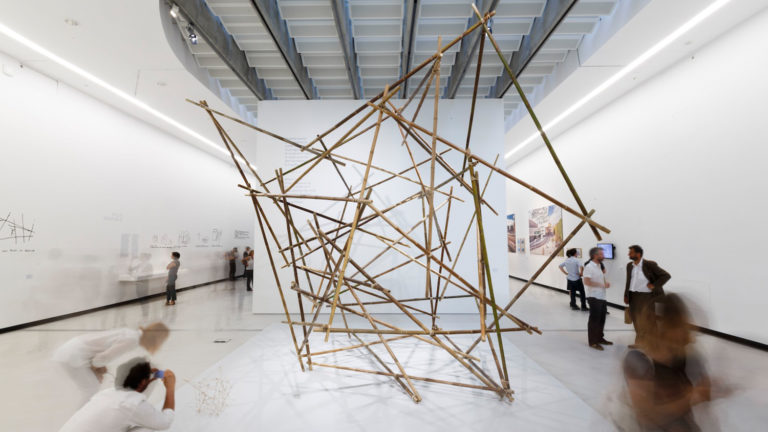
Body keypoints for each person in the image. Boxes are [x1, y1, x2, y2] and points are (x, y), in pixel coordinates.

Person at [621, 294, 721, 431]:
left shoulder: (689, 356)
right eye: (677, 325)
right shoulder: (638, 361)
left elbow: (704, 391)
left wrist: (707, 390)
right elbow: (647, 416)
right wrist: (692, 397)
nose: (684, 331)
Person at [53, 323, 170, 406]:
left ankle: (82, 419)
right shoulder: (132, 340)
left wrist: (98, 369)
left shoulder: (131, 333)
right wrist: (99, 369)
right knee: (90, 389)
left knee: (91, 387)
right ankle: (79, 421)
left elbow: (100, 357)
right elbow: (100, 359)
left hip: (72, 350)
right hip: (73, 355)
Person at [59, 358, 176, 432]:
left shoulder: (107, 393)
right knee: (147, 428)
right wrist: (170, 388)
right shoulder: (132, 404)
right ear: (142, 382)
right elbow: (164, 423)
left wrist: (149, 376)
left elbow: (138, 393)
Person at [625, 245, 671, 348]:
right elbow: (628, 281)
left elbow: (666, 275)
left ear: (638, 254)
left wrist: (654, 285)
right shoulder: (629, 266)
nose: (628, 254)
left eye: (631, 252)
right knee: (636, 320)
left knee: (649, 320)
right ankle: (639, 343)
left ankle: (654, 344)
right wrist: (626, 295)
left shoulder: (649, 264)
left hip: (647, 297)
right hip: (633, 296)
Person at [583, 247, 612, 350]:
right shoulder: (589, 267)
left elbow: (598, 279)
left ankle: (600, 338)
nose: (603, 256)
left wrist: (604, 283)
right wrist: (602, 285)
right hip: (594, 297)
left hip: (601, 296)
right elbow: (586, 282)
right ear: (595, 255)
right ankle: (593, 342)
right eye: (601, 254)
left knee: (601, 319)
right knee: (594, 320)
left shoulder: (599, 266)